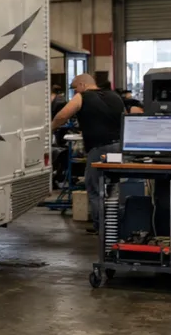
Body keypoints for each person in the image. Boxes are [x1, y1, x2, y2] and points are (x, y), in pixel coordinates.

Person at [51, 74, 126, 232]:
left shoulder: (82, 96)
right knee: (113, 186)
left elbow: (63, 115)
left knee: (95, 188)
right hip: (118, 148)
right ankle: (116, 226)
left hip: (99, 150)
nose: (74, 91)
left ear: (82, 85)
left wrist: (50, 129)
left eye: (75, 87)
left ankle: (101, 228)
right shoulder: (115, 96)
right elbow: (126, 117)